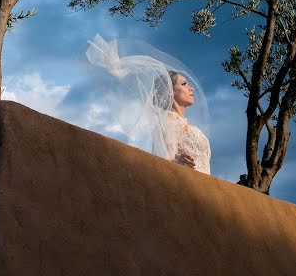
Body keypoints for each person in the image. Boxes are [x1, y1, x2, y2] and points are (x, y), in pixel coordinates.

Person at [86, 34, 212, 175]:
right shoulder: (168, 120)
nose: (191, 88)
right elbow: (163, 162)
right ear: (170, 92)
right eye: (184, 84)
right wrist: (177, 163)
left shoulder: (186, 124)